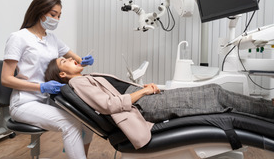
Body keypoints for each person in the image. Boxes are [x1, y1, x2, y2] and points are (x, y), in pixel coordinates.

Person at [44, 57, 274, 149]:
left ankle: (268, 112)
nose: (73, 59)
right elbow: (110, 105)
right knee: (216, 95)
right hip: (144, 107)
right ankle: (270, 113)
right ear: (62, 74)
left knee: (215, 93)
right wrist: (143, 93)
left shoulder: (84, 79)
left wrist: (145, 90)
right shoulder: (78, 84)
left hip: (145, 100)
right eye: (65, 61)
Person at [1, 0, 94, 159]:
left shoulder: (52, 39)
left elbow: (77, 59)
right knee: (70, 123)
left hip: (47, 99)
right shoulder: (18, 38)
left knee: (88, 119)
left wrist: (84, 61)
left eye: (59, 15)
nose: (56, 19)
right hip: (24, 102)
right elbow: (6, 79)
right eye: (53, 14)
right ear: (39, 11)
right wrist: (41, 86)